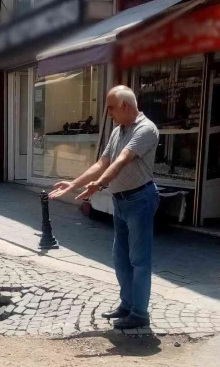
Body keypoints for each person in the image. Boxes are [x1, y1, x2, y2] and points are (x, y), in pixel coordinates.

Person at [49, 86, 159, 329]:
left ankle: (140, 314)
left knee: (139, 260)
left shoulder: (146, 129)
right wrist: (74, 184)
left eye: (111, 108)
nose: (108, 113)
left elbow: (121, 161)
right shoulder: (118, 130)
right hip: (120, 200)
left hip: (140, 199)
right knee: (120, 257)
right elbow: (103, 161)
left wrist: (98, 185)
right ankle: (126, 305)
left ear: (126, 106)